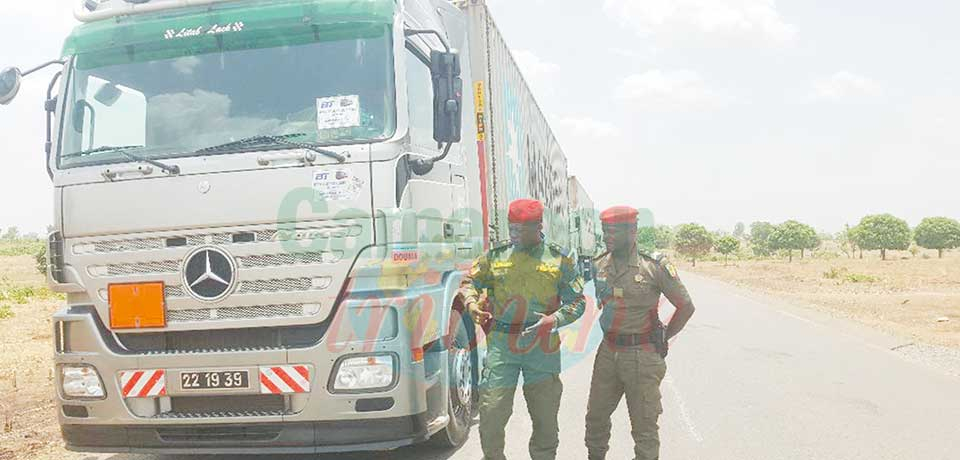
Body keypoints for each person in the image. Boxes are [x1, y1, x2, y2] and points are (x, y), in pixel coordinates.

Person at [461, 198, 586, 460]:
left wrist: (555, 320)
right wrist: (472, 304)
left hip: (541, 344)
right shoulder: (495, 257)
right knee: (492, 411)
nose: (514, 234)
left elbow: (578, 301)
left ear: (539, 226)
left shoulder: (559, 258)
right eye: (511, 228)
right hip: (502, 344)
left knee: (545, 416)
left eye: (521, 229)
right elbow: (468, 282)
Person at [584, 206, 697, 460]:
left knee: (644, 428)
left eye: (613, 232)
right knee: (595, 420)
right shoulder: (599, 264)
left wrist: (664, 336)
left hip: (641, 356)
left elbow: (686, 306)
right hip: (608, 352)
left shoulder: (653, 266)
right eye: (604, 232)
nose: (607, 237)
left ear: (632, 231)